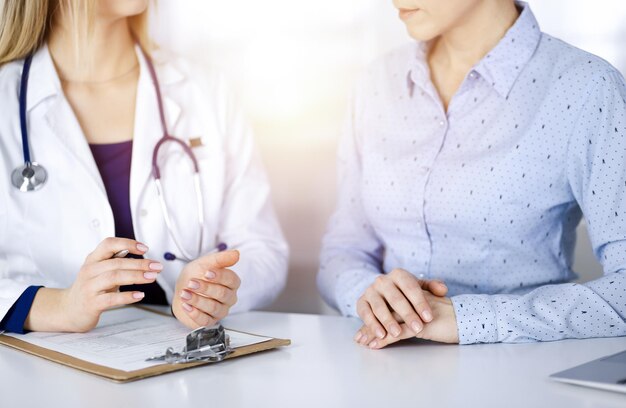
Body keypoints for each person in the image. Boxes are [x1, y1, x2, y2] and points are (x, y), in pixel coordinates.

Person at [319, 0, 626, 347]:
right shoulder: (375, 84)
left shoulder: (586, 87)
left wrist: (470, 320)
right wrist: (377, 302)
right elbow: (342, 251)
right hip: (382, 371)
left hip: (517, 377)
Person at [0, 0, 288, 333]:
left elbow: (263, 249)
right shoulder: (7, 105)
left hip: (186, 367)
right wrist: (61, 307)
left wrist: (213, 287)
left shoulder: (207, 91)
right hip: (40, 373)